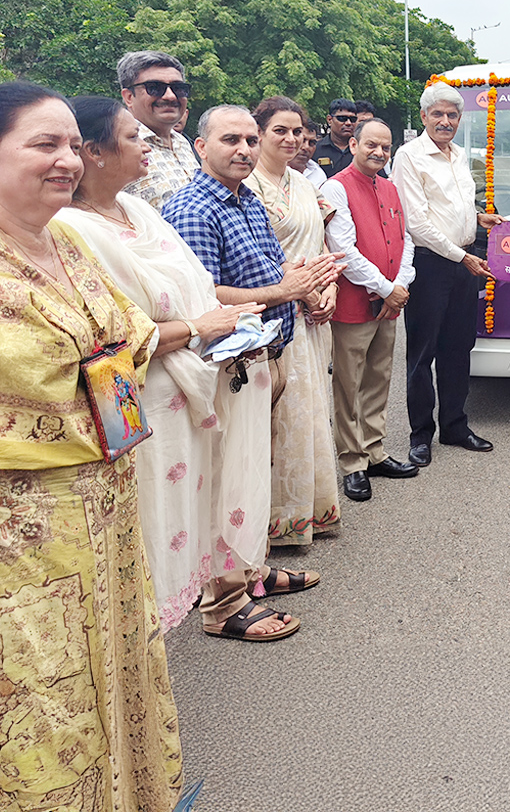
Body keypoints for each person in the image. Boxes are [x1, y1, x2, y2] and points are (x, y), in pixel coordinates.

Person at [0, 81, 183, 810]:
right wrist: (103, 360)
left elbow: (132, 337)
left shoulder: (69, 237)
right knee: (47, 702)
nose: (67, 161)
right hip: (25, 540)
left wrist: (97, 363)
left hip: (105, 511)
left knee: (114, 668)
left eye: (73, 145)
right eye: (44, 144)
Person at [57, 96, 271, 633]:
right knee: (153, 524)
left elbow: (195, 286)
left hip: (196, 377)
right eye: (134, 136)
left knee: (192, 509)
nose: (148, 144)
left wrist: (229, 324)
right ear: (95, 153)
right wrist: (203, 329)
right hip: (146, 397)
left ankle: (208, 603)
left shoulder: (140, 209)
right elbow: (112, 335)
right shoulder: (72, 230)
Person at [164, 106, 342, 639]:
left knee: (251, 475)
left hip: (268, 354)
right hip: (228, 365)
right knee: (223, 480)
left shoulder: (246, 200)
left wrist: (305, 278)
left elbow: (270, 269)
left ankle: (251, 570)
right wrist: (282, 292)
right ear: (200, 147)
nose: (243, 149)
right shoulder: (194, 207)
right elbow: (205, 297)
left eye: (248, 139)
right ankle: (223, 603)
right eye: (230, 140)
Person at [247, 97, 343, 543]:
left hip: (313, 317)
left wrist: (329, 288)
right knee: (277, 418)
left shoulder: (303, 183)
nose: (291, 139)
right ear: (260, 133)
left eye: (298, 131)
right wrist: (298, 289)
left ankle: (311, 511)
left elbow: (322, 247)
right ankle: (271, 524)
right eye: (279, 131)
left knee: (310, 411)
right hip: (272, 314)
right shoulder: (247, 185)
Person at [395, 82, 504, 465]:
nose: (445, 121)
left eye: (452, 115)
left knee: (459, 349)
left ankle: (455, 426)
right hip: (431, 264)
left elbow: (450, 207)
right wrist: (462, 256)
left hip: (464, 260)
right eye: (437, 114)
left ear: (459, 119)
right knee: (423, 353)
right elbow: (417, 221)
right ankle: (420, 434)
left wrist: (479, 218)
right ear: (423, 117)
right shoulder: (409, 156)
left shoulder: (459, 155)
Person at [324, 117, 419, 499]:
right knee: (349, 384)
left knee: (379, 378)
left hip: (390, 303)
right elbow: (343, 249)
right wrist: (385, 287)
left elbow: (406, 239)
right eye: (371, 145)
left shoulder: (391, 188)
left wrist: (400, 285)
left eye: (385, 147)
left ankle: (375, 451)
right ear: (353, 145)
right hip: (355, 303)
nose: (379, 152)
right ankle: (352, 461)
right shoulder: (335, 189)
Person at [118, 49, 198, 209]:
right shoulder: (116, 144)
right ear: (128, 97)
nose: (170, 96)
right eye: (154, 87)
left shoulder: (183, 143)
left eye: (178, 88)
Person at [313, 98, 358, 178]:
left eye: (353, 119)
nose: (348, 123)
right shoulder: (315, 150)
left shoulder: (361, 150)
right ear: (330, 119)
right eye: (342, 119)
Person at [293, 115, 327, 189]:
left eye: (312, 143)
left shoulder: (318, 175)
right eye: (302, 141)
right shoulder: (270, 172)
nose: (306, 147)